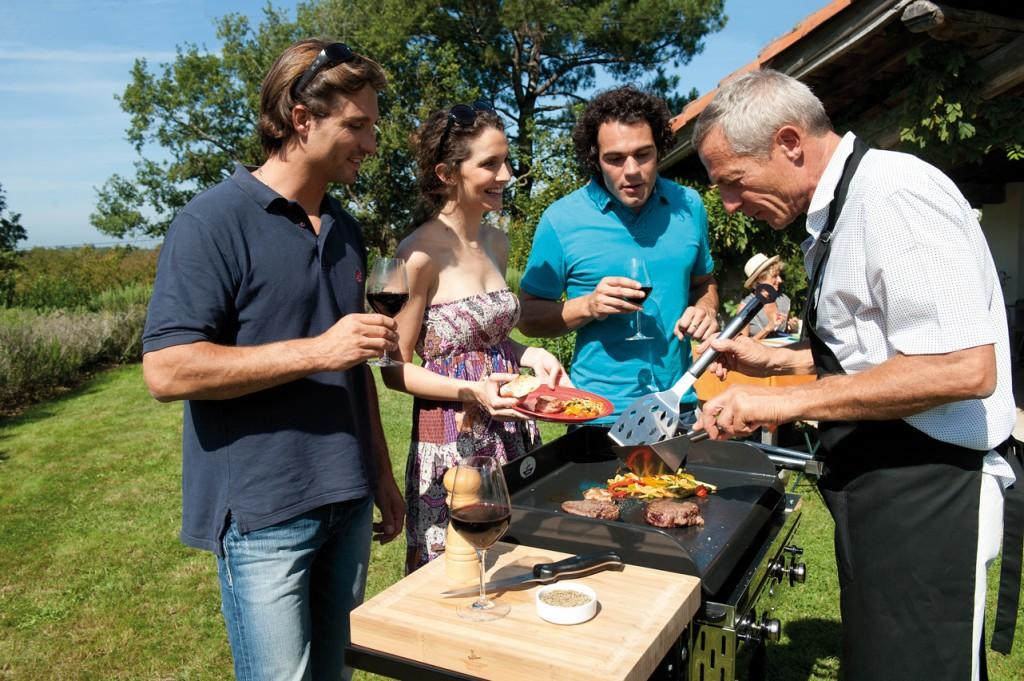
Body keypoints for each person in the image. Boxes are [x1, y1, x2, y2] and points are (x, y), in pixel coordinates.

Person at [691, 68, 1020, 681]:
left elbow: (963, 367)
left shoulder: (893, 194)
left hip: (930, 491)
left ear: (790, 142)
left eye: (733, 182)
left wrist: (783, 403)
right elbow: (884, 350)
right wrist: (781, 362)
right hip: (882, 485)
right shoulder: (840, 211)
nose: (730, 203)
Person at [141, 39, 405, 681]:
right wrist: (320, 348)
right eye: (357, 125)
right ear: (300, 117)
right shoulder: (212, 221)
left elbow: (356, 366)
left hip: (347, 498)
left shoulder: (344, 228)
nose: (371, 144)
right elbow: (168, 370)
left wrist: (381, 475)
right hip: (265, 513)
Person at [382, 101, 569, 571]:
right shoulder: (417, 256)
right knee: (457, 571)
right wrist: (471, 390)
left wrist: (532, 355)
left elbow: (491, 341)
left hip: (511, 426)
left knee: (517, 559)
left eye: (505, 160)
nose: (506, 173)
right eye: (489, 164)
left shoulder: (496, 243)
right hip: (453, 438)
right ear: (447, 173)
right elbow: (393, 369)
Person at [518, 86, 719, 427]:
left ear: (661, 149)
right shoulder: (561, 220)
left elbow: (704, 282)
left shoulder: (689, 206)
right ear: (594, 157)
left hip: (679, 406)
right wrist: (588, 306)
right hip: (597, 412)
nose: (631, 171)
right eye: (614, 158)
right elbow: (528, 317)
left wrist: (706, 309)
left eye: (643, 154)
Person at [739, 253, 794, 340]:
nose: (780, 280)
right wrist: (767, 329)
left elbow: (784, 333)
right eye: (774, 276)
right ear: (759, 280)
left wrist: (792, 327)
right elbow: (741, 346)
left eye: (779, 275)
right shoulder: (746, 307)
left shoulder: (784, 300)